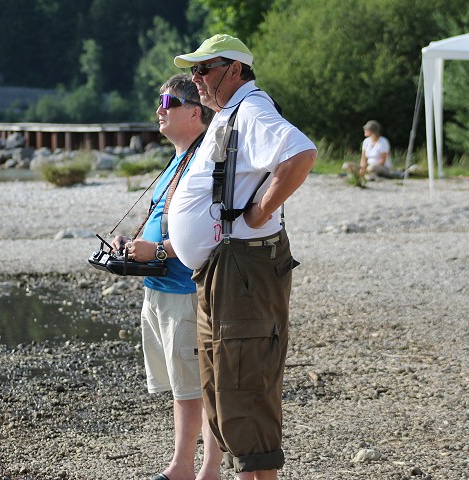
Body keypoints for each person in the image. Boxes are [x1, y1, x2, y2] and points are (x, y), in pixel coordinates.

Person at [167, 35, 317, 480]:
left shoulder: (251, 109)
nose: (196, 80)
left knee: (245, 390)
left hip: (244, 269)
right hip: (223, 270)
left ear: (235, 69)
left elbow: (301, 153)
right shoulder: (230, 113)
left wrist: (259, 211)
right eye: (193, 71)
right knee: (222, 391)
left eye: (204, 69)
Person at [111, 74, 222, 480]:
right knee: (182, 387)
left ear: (195, 112)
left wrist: (157, 250)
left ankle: (208, 471)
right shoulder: (179, 157)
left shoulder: (204, 159)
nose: (159, 109)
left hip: (184, 290)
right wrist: (135, 243)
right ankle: (180, 468)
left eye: (168, 102)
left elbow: (211, 230)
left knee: (204, 389)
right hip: (158, 289)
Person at [343, 120, 408, 180]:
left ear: (372, 131)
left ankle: (368, 174)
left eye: (366, 129)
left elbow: (382, 161)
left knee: (371, 168)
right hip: (368, 167)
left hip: (381, 167)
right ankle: (362, 174)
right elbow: (363, 158)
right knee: (346, 165)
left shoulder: (383, 141)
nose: (364, 130)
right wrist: (363, 168)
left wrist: (367, 168)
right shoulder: (366, 141)